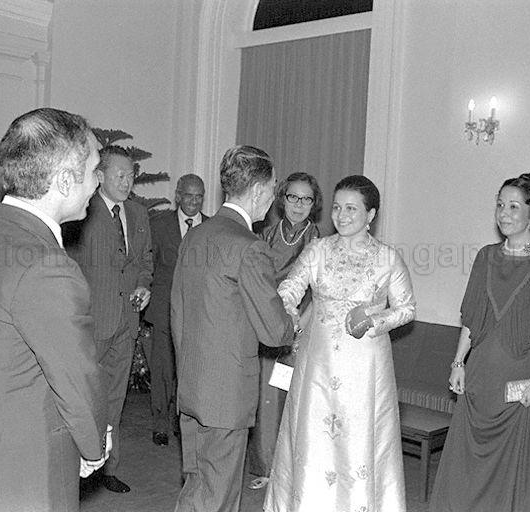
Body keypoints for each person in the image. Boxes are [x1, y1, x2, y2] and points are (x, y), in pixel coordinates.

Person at [0, 108, 109, 512]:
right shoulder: (48, 265)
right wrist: (94, 447)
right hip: (20, 473)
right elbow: (76, 378)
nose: (99, 182)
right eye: (96, 169)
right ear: (65, 180)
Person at [264, 175, 415, 512]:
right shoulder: (317, 251)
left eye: (351, 208)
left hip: (365, 365)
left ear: (371, 214)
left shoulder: (387, 258)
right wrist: (288, 312)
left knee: (358, 439)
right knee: (314, 438)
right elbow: (289, 289)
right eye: (336, 207)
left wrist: (375, 320)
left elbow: (406, 308)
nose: (342, 215)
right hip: (317, 361)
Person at [429, 173, 530, 512]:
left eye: (514, 207)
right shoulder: (486, 256)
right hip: (479, 379)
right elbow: (472, 320)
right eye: (500, 205)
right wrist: (458, 362)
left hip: (519, 383)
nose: (504, 213)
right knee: (467, 466)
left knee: (509, 471)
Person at [172, 145, 295, 512]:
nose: (272, 199)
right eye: (273, 189)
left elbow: (177, 311)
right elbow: (275, 332)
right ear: (257, 190)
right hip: (225, 397)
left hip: (192, 386)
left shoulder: (195, 235)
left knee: (196, 491)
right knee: (218, 499)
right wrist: (291, 320)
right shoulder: (249, 247)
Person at [63, 144, 153, 493]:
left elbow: (145, 262)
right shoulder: (81, 214)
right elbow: (68, 267)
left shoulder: (139, 214)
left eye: (131, 175)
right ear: (99, 176)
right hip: (91, 323)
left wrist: (144, 285)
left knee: (115, 399)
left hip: (126, 322)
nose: (127, 181)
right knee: (82, 397)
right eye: (120, 174)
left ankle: (106, 468)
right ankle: (71, 467)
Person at [247, 172, 321, 490]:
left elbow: (319, 291)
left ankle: (293, 468)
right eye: (293, 197)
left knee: (296, 398)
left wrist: (300, 324)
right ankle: (267, 467)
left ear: (314, 204)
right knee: (267, 395)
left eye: (306, 199)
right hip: (267, 325)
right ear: (282, 199)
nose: (298, 205)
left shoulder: (318, 241)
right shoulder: (265, 234)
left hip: (301, 329)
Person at [143, 173, 207, 446]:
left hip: (201, 314)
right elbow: (149, 266)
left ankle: (185, 420)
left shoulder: (212, 227)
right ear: (178, 195)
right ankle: (160, 422)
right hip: (164, 309)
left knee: (192, 371)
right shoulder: (159, 225)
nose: (193, 201)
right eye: (188, 195)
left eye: (199, 196)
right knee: (162, 369)